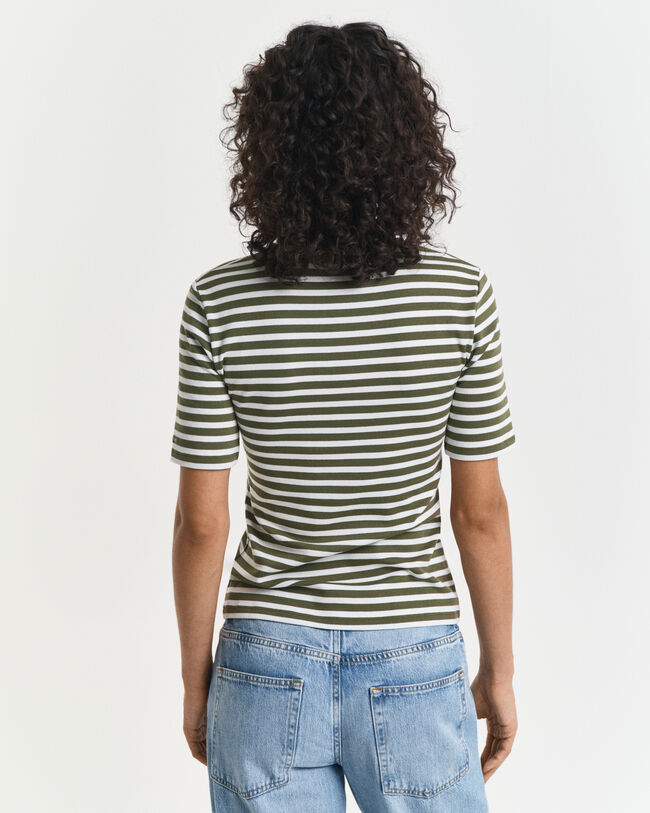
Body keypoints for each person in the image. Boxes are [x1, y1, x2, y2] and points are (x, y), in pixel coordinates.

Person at [170, 21, 517, 812]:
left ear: (267, 151)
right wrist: (498, 671)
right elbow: (480, 512)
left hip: (264, 659)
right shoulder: (459, 296)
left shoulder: (219, 301)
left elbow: (201, 522)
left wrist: (196, 679)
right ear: (408, 146)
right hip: (414, 658)